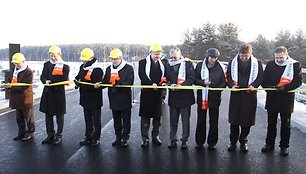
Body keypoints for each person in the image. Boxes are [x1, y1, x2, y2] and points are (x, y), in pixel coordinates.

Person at [261, 46, 303, 156]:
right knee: (271, 123)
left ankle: (284, 146)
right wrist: (268, 89)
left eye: (281, 58)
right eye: (277, 58)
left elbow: (298, 82)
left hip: (286, 98)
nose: (279, 60)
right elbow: (264, 79)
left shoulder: (294, 65)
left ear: (286, 55)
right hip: (272, 97)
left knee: (286, 124)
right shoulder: (270, 64)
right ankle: (269, 144)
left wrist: (285, 88)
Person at [226, 43, 263, 152]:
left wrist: (254, 85)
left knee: (246, 121)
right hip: (236, 94)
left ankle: (243, 142)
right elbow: (227, 76)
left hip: (249, 95)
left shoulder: (258, 63)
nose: (244, 58)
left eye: (246, 56)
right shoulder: (232, 62)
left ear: (250, 54)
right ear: (239, 54)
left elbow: (260, 77)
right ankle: (232, 142)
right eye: (242, 56)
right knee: (234, 120)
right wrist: (231, 85)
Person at [138, 43, 172, 147]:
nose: (157, 56)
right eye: (156, 53)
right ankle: (145, 138)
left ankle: (155, 137)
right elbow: (142, 75)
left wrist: (166, 82)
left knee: (158, 117)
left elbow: (167, 74)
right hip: (147, 93)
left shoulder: (164, 63)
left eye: (159, 54)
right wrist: (150, 84)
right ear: (151, 53)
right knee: (145, 117)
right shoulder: (143, 62)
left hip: (158, 94)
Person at [194, 48, 227, 150]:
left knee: (214, 121)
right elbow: (194, 79)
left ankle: (212, 142)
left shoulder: (221, 67)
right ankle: (199, 141)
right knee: (201, 120)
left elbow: (224, 82)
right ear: (207, 56)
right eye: (212, 57)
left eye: (216, 58)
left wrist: (217, 89)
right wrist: (203, 83)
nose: (214, 60)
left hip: (214, 97)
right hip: (202, 97)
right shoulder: (200, 66)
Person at [103, 48, 134, 147]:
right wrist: (99, 84)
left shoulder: (128, 68)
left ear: (121, 58)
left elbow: (130, 82)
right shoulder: (109, 69)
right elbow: (106, 82)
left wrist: (118, 84)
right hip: (113, 98)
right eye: (112, 58)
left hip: (125, 98)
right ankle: (118, 137)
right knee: (116, 119)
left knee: (126, 119)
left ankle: (125, 137)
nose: (114, 60)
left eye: (115, 58)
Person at [40, 45, 70, 145]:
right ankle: (50, 135)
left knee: (59, 116)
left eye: (54, 56)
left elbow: (64, 79)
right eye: (51, 56)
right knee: (48, 115)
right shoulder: (46, 64)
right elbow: (42, 76)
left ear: (59, 54)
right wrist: (45, 80)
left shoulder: (65, 66)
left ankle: (58, 135)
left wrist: (51, 80)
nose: (53, 58)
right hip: (48, 93)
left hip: (58, 94)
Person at [75, 48, 104, 147]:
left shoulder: (97, 69)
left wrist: (82, 84)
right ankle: (88, 137)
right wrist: (76, 82)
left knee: (96, 121)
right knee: (88, 120)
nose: (83, 60)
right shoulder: (82, 67)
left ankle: (96, 138)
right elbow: (79, 77)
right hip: (85, 98)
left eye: (85, 59)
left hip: (94, 99)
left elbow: (93, 84)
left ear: (91, 58)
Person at [167, 47, 195, 149]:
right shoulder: (168, 65)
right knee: (173, 121)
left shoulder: (188, 64)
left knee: (185, 121)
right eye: (172, 57)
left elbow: (192, 78)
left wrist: (181, 85)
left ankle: (184, 140)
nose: (174, 59)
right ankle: (172, 139)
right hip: (173, 97)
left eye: (175, 57)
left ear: (180, 55)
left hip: (185, 98)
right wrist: (169, 84)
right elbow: (166, 78)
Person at [6, 53, 35, 141]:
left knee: (28, 118)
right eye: (14, 63)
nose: (16, 65)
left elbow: (24, 86)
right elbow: (9, 79)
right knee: (19, 117)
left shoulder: (28, 72)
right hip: (16, 98)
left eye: (17, 63)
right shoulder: (14, 69)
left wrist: (11, 87)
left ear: (23, 61)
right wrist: (7, 84)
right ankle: (21, 132)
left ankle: (30, 132)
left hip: (25, 98)